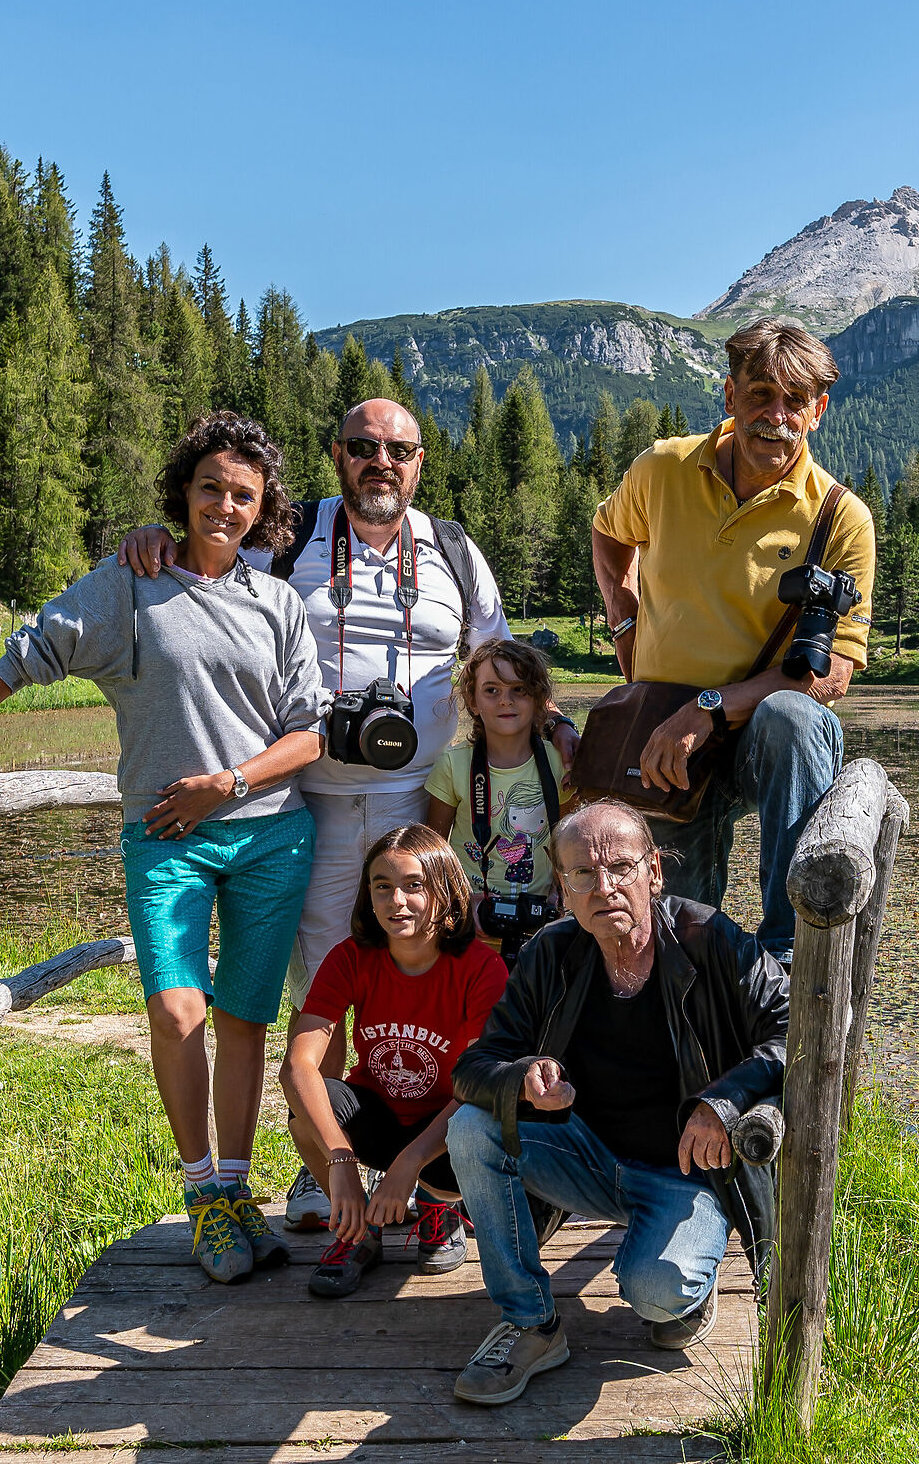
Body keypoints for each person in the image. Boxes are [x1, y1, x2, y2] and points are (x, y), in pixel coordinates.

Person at [0, 411, 324, 1285]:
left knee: (243, 1021)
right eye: (211, 488)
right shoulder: (130, 586)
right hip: (166, 841)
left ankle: (236, 1187)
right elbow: (26, 654)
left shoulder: (277, 604)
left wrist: (223, 783)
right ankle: (202, 1199)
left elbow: (308, 735)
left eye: (244, 495)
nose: (225, 505)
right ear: (183, 493)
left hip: (271, 836)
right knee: (178, 1010)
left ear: (262, 510)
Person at [120, 396, 577, 1231]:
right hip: (311, 796)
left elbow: (498, 657)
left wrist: (558, 730)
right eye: (364, 447)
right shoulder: (287, 534)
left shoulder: (452, 549)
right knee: (325, 974)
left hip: (422, 797)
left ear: (420, 462)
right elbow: (205, 560)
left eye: (399, 450)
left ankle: (435, 1173)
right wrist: (151, 542)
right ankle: (316, 1158)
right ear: (338, 454)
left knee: (429, 968)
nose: (382, 462)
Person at [443, 799, 789, 1406]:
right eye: (582, 874)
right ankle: (530, 1324)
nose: (604, 887)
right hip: (588, 1158)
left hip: (689, 1172)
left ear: (654, 872)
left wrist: (723, 1104)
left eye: (621, 868)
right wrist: (523, 1078)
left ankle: (687, 1279)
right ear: (562, 890)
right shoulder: (549, 955)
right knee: (473, 1129)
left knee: (655, 1294)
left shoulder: (710, 938)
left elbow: (800, 1030)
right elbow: (473, 1069)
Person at [589, 317, 876, 960]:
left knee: (795, 719)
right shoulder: (662, 469)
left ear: (818, 411)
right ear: (729, 396)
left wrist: (710, 708)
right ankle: (682, 1009)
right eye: (760, 394)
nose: (775, 416)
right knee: (670, 936)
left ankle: (785, 954)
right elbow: (608, 533)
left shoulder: (840, 517)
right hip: (664, 729)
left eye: (795, 400)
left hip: (758, 737)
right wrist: (625, 614)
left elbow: (829, 678)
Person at [278, 825, 507, 1298]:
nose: (395, 900)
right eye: (382, 886)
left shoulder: (481, 967)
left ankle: (437, 1208)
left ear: (445, 890)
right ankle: (358, 1228)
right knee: (307, 1113)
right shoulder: (350, 958)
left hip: (448, 1128)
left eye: (413, 885)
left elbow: (479, 1086)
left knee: (473, 1131)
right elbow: (298, 1066)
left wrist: (409, 1165)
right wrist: (341, 1161)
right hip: (377, 1118)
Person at [422, 638, 571, 963]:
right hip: (469, 927)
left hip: (539, 930)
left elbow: (570, 841)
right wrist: (458, 902)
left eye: (520, 690)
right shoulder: (453, 764)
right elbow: (432, 852)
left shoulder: (558, 764)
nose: (506, 701)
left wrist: (564, 896)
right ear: (472, 701)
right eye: (492, 691)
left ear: (539, 700)